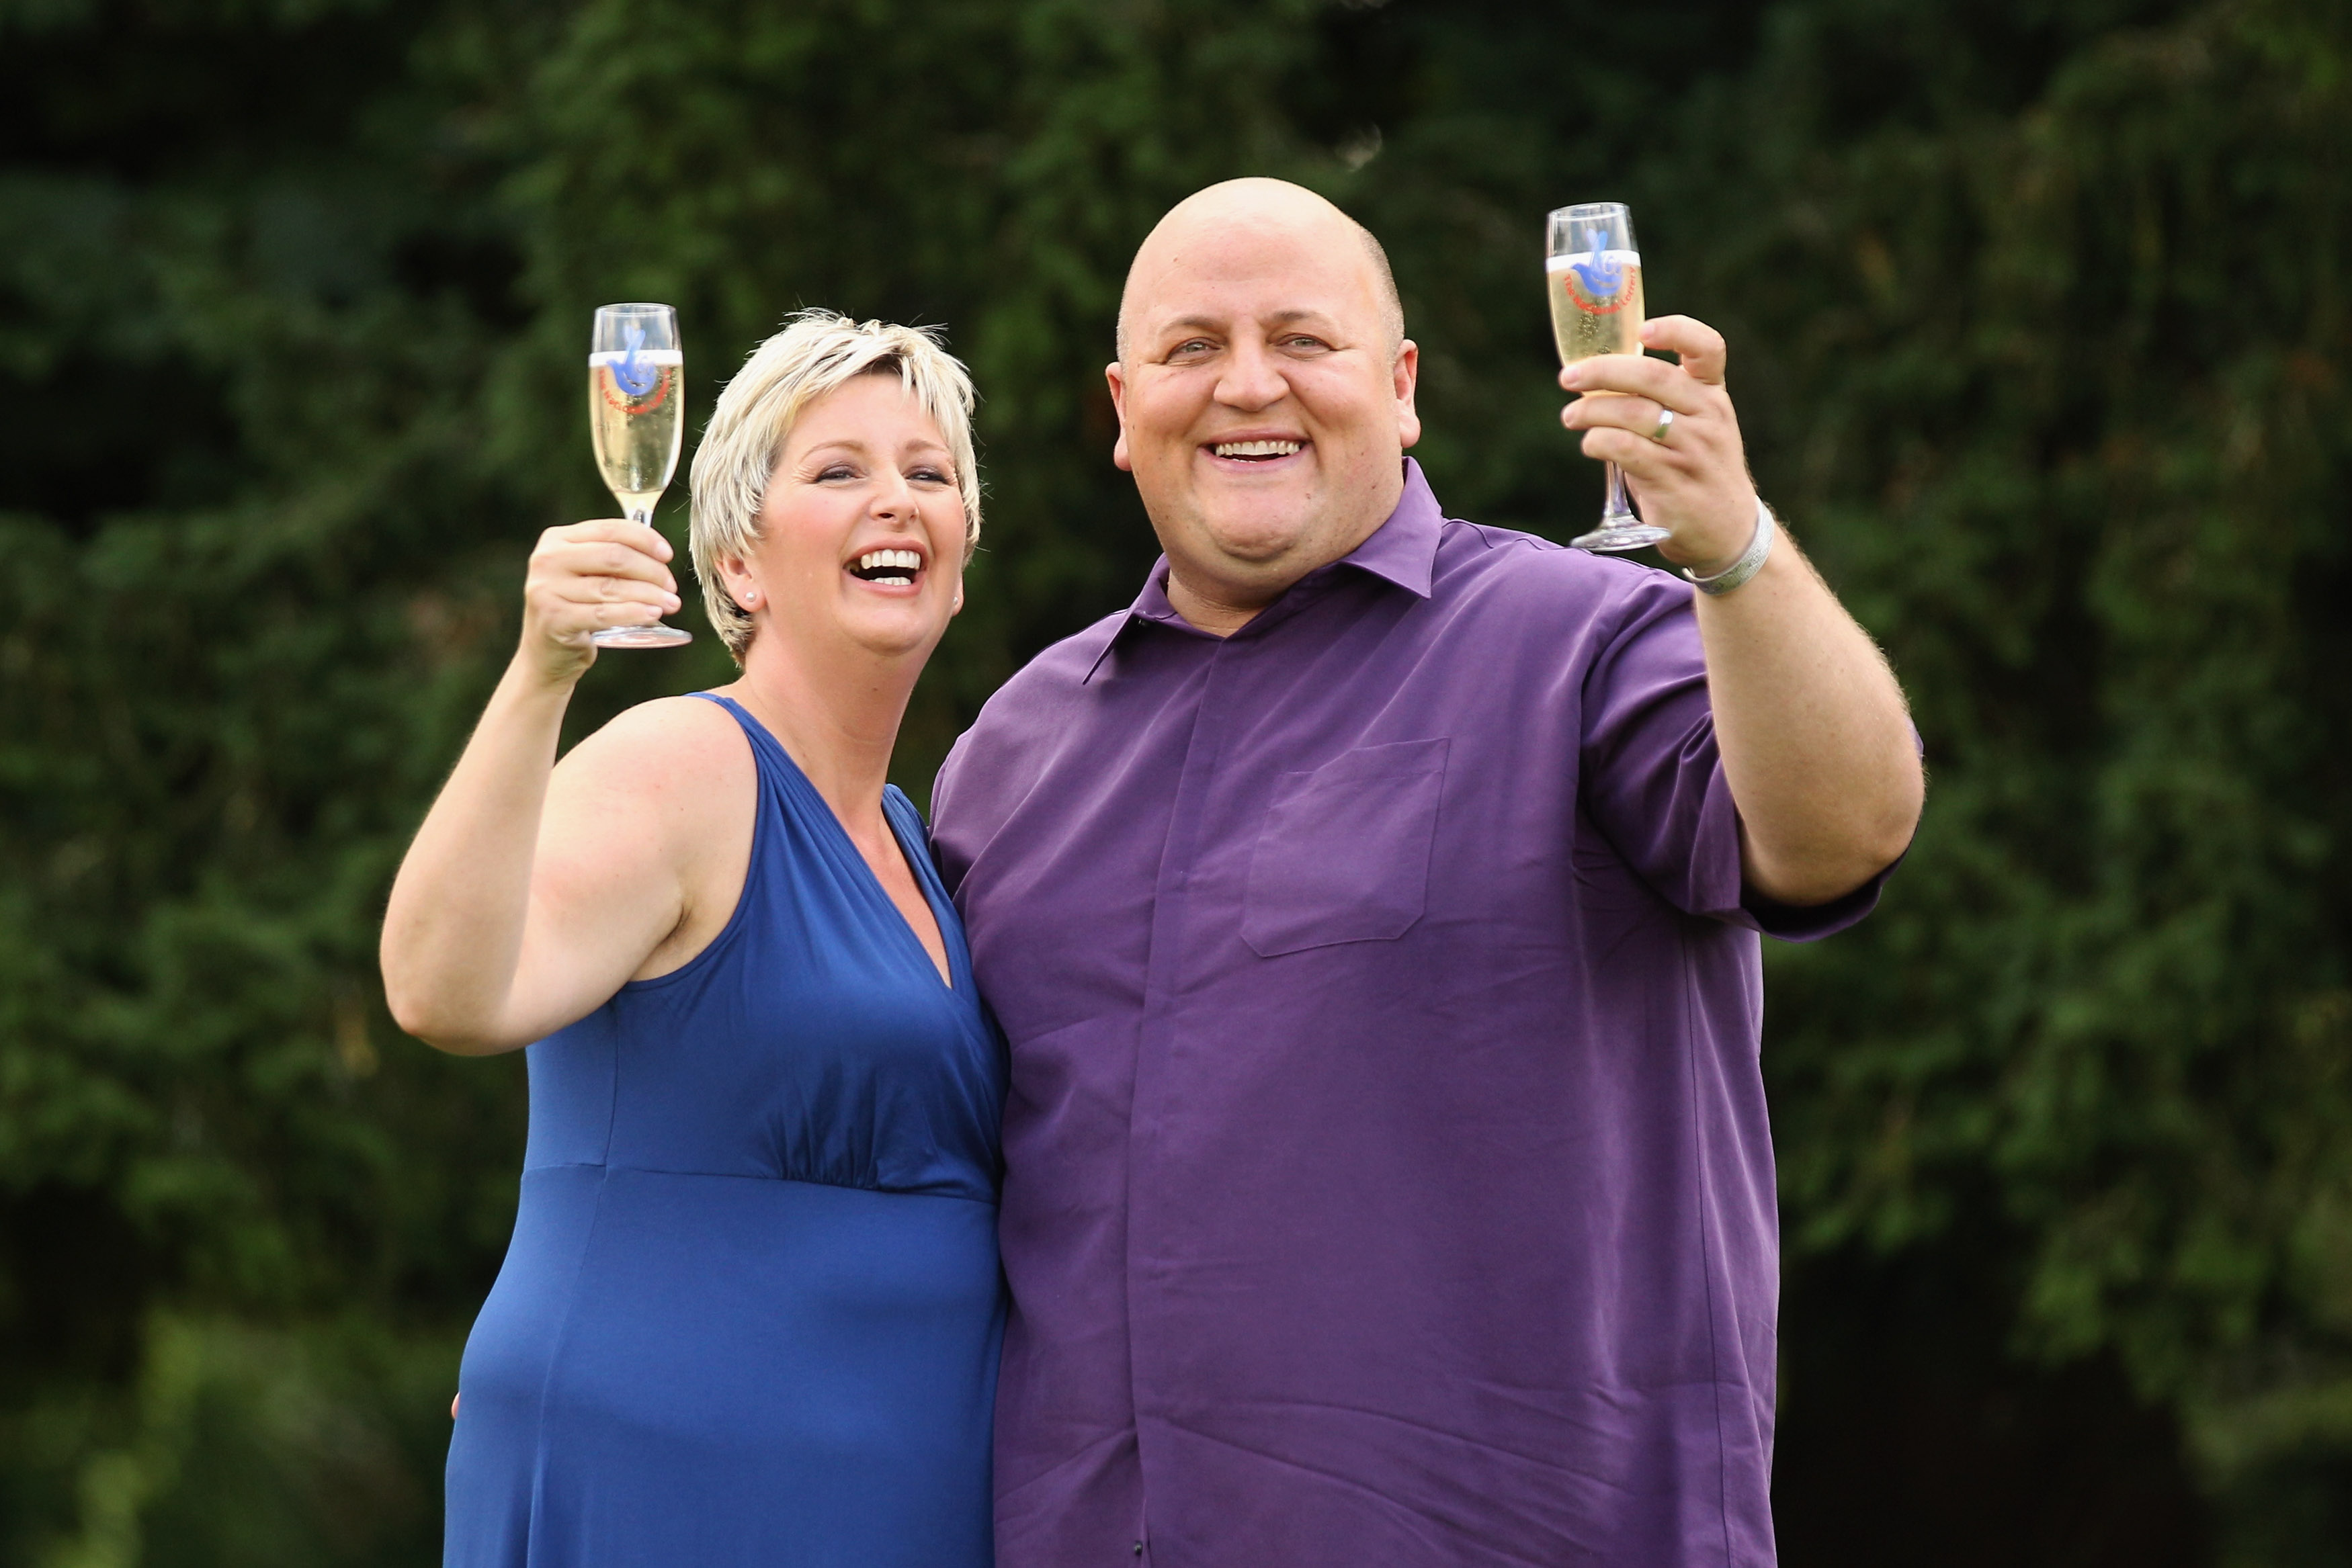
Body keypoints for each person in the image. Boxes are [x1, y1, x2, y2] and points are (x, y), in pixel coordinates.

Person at [928, 179, 1925, 1566]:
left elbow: (1842, 832)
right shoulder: (1013, 753)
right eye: (1192, 348)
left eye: (1302, 340)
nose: (1248, 386)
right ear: (1120, 404)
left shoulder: (1581, 642)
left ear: (1400, 388)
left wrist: (1740, 555)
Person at [380, 312, 1004, 1568]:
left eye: (928, 473)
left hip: (903, 1489)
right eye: (839, 472)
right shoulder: (689, 767)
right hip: (677, 1476)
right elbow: (447, 989)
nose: (897, 500)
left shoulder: (914, 839)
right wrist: (541, 672)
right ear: (737, 564)